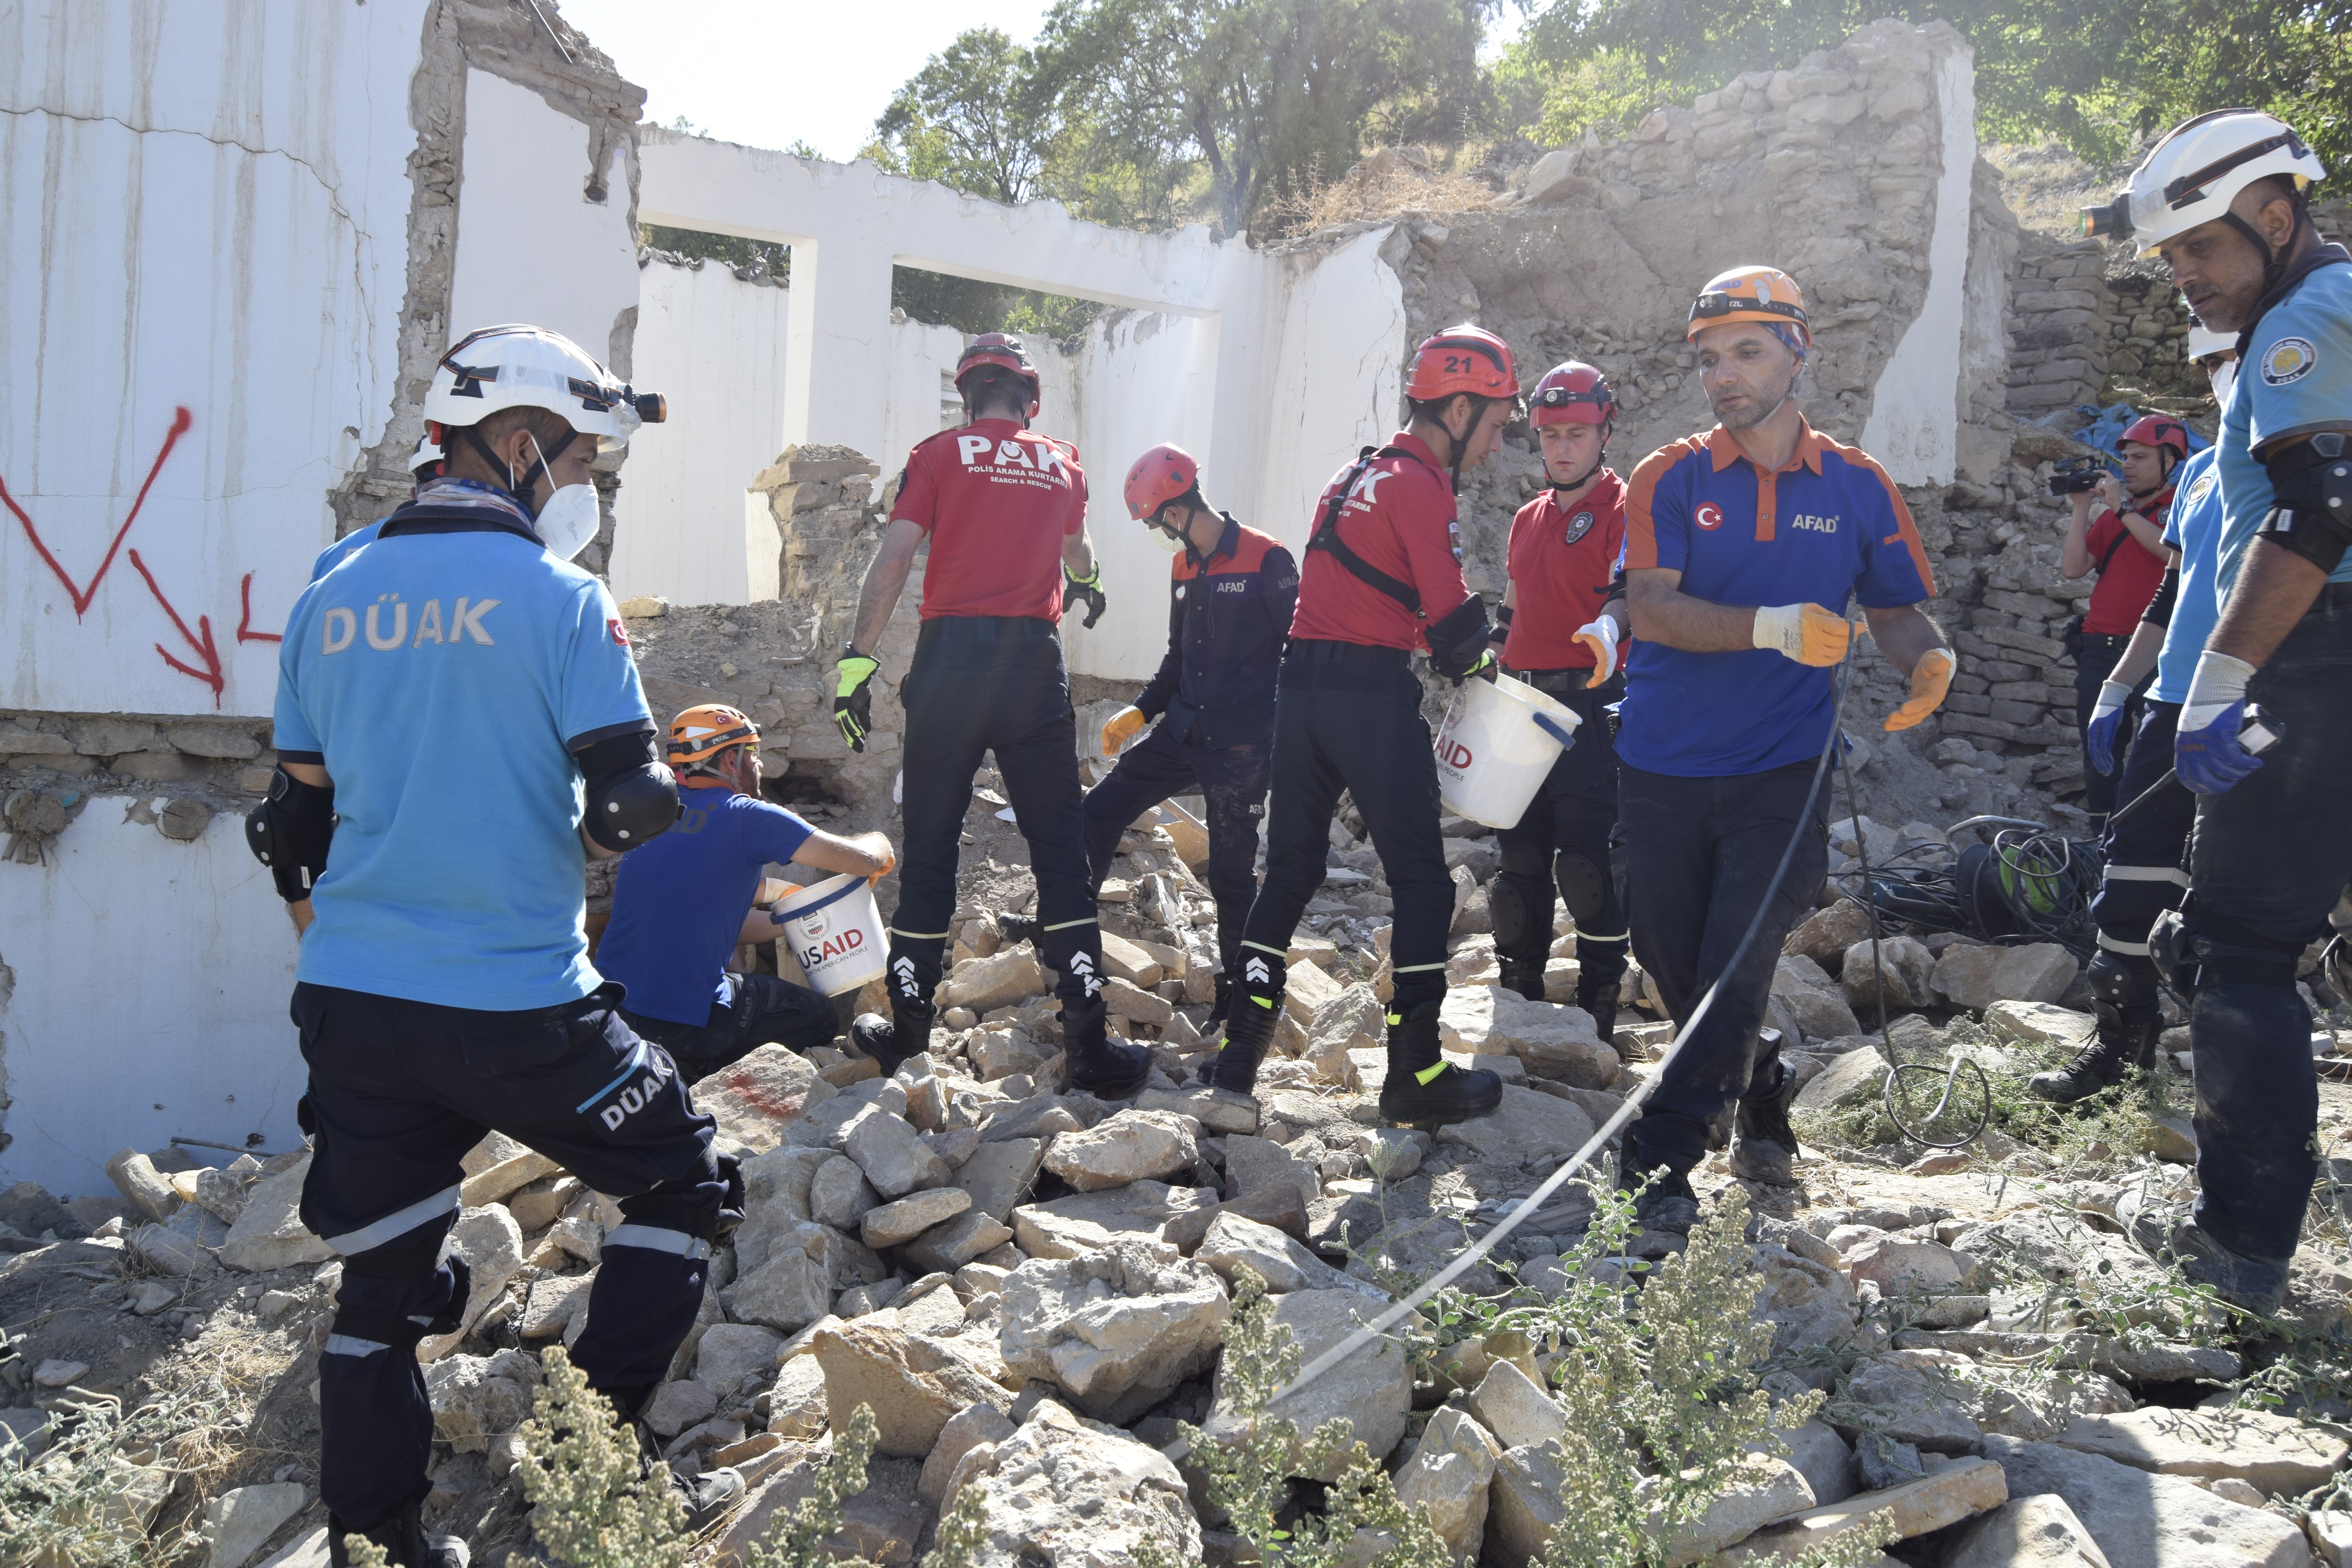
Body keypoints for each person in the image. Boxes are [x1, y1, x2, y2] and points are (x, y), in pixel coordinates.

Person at [252, 325, 739, 1566]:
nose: (576, 488)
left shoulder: (328, 583)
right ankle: (584, 1465)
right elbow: (629, 804)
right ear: (519, 444)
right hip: (521, 1005)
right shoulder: (565, 601)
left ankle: (379, 1541)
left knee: (380, 1284)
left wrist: (340, 943)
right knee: (681, 1181)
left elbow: (293, 820)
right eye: (576, 463)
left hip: (355, 1000)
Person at [2085, 109, 2352, 1313]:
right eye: (2169, 253)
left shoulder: (2302, 322)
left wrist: (2230, 677)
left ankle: (2236, 1250)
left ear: (2275, 217)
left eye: (2197, 244)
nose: (2181, 273)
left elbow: (2312, 511)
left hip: (2312, 660)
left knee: (2236, 949)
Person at [1618, 266, 1951, 1227]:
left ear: (1798, 350)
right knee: (1673, 964)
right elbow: (1650, 606)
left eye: (1747, 351)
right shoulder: (1667, 474)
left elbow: (1894, 607)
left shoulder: (1856, 484)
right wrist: (1767, 626)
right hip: (1661, 761)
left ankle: (1663, 1158)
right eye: (1709, 358)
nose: (1723, 375)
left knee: (1732, 960)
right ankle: (1759, 1072)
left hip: (1785, 770)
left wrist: (1929, 661)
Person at [1202, 325, 1515, 1129]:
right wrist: (1489, 666)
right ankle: (1416, 1071)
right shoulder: (1421, 486)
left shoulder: (1354, 474)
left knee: (1291, 872)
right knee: (1424, 880)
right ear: (1455, 407)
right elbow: (1450, 623)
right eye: (1496, 421)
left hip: (1299, 687)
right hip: (1366, 693)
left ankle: (1237, 1069)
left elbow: (1361, 589)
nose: (1499, 439)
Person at [833, 332, 1148, 1097]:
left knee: (932, 847)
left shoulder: (939, 454)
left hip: (948, 665)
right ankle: (1090, 1042)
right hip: (1033, 668)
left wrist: (856, 661)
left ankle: (908, 1035)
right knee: (1060, 849)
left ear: (968, 396)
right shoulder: (1062, 461)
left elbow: (897, 556)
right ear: (1029, 398)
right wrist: (1092, 580)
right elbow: (1078, 550)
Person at [2029, 330, 2236, 1102]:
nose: (2224, 375)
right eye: (2213, 364)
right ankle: (2119, 1058)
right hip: (2171, 701)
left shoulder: (2307, 461)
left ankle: (2240, 1100)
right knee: (2128, 888)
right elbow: (2173, 591)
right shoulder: (2206, 477)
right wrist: (2120, 687)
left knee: (2245, 911)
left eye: (2235, 359)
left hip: (2258, 704)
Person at [1066, 445, 1295, 1021]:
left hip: (1242, 744)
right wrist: (1141, 713)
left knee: (1230, 874)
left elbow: (1301, 652)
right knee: (1099, 811)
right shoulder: (1183, 566)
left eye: (1153, 522)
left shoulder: (1267, 558)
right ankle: (1069, 938)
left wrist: (1291, 737)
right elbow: (1177, 658)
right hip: (1185, 732)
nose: (1156, 534)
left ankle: (1243, 998)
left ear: (1176, 509)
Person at [595, 704, 896, 1082]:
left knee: (745, 984)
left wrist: (789, 922)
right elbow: (865, 860)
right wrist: (882, 842)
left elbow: (716, 921)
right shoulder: (747, 816)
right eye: (752, 754)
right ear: (729, 759)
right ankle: (698, 1073)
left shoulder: (656, 815)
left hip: (612, 1015)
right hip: (682, 1020)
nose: (758, 765)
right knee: (817, 1015)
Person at [1487, 361, 1632, 1037]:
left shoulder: (1626, 509)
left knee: (1585, 865)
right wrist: (1479, 662)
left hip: (1590, 708)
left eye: (1577, 432)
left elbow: (1628, 599)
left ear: (1605, 432)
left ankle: (1599, 1005)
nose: (1563, 447)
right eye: (1550, 435)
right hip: (1519, 706)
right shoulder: (1526, 518)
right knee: (1517, 867)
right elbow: (1513, 611)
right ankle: (1518, 995)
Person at [2062, 412, 2185, 829]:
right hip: (2100, 649)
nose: (2127, 465)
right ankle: (2101, 837)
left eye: (2140, 457)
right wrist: (2082, 509)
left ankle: (2146, 840)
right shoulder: (2114, 516)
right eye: (2126, 457)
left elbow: (2173, 556)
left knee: (2157, 751)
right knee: (2099, 754)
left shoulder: (2181, 507)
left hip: (2155, 651)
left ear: (2170, 461)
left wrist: (2122, 508)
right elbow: (2074, 568)